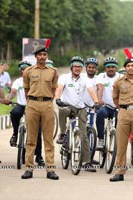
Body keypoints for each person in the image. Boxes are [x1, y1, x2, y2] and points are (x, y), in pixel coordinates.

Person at [21, 44, 59, 180]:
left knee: (48, 139)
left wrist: (48, 100)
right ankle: (29, 169)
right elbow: (26, 89)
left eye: (44, 55)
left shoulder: (53, 71)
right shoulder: (28, 71)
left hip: (47, 105)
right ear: (36, 56)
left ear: (46, 56)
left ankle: (50, 170)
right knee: (31, 139)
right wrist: (32, 100)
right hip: (32, 104)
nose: (42, 57)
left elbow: (54, 88)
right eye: (40, 55)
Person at [55, 56, 99, 172]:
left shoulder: (85, 79)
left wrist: (96, 102)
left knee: (84, 134)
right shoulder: (64, 77)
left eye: (80, 66)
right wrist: (58, 98)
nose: (77, 68)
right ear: (71, 67)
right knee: (63, 110)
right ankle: (63, 134)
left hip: (81, 108)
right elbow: (59, 88)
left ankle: (86, 162)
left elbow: (91, 90)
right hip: (68, 106)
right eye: (75, 66)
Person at [7, 60, 45, 166]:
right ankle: (15, 133)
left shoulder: (36, 80)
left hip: (34, 107)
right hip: (21, 106)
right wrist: (9, 99)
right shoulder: (18, 81)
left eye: (27, 69)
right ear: (20, 71)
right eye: (22, 69)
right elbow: (13, 92)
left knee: (37, 132)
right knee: (14, 113)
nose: (24, 71)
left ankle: (39, 157)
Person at [96, 57, 121, 148]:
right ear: (105, 68)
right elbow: (100, 87)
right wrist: (99, 99)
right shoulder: (101, 76)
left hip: (118, 107)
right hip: (106, 106)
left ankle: (118, 142)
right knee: (100, 113)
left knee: (122, 122)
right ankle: (101, 139)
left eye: (113, 67)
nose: (111, 69)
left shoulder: (121, 77)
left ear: (116, 67)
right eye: (108, 67)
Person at [83, 57, 98, 127]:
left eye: (93, 67)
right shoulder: (81, 77)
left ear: (96, 69)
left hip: (91, 108)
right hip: (80, 107)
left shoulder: (98, 79)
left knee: (90, 127)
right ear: (86, 68)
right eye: (89, 67)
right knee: (76, 127)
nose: (91, 69)